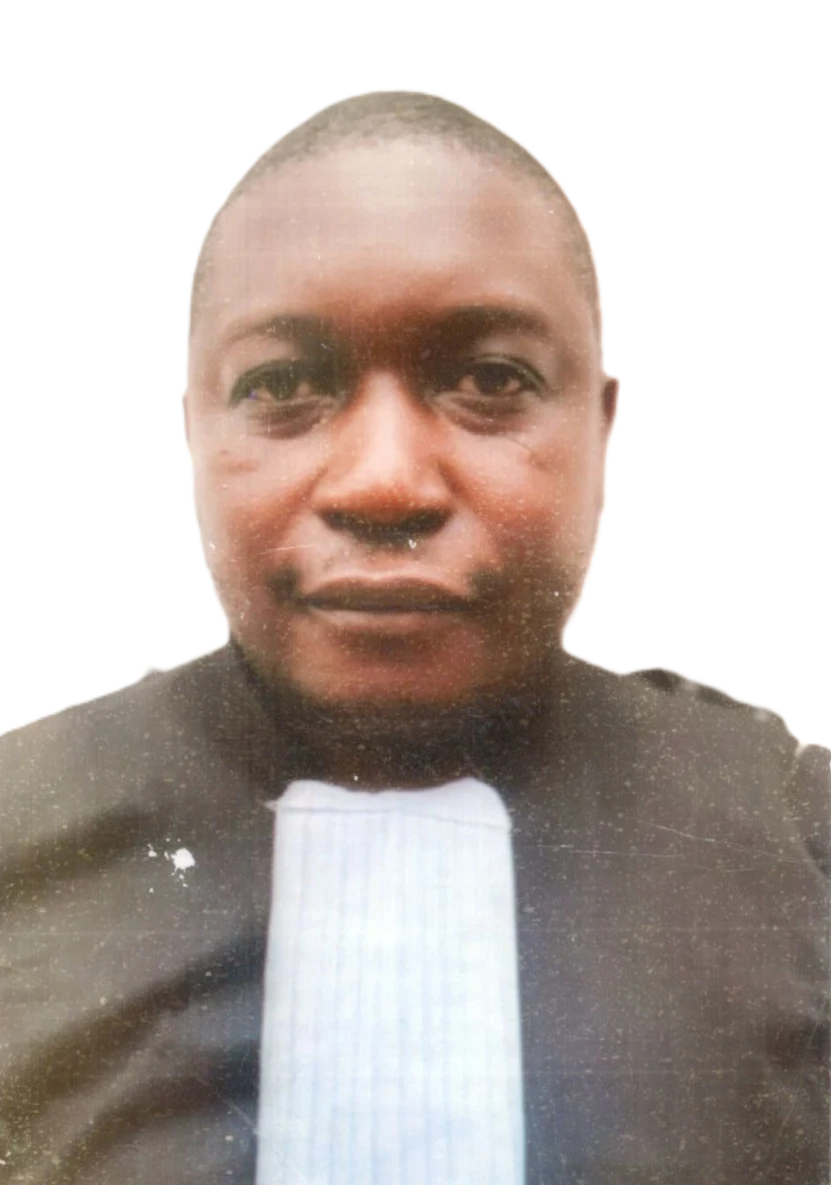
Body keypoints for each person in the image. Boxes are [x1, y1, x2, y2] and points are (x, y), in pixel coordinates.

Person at [1, 88, 828, 1185]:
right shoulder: (20, 831)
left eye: (491, 381)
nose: (384, 481)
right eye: (281, 385)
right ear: (191, 431)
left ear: (601, 427)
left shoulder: (796, 839)